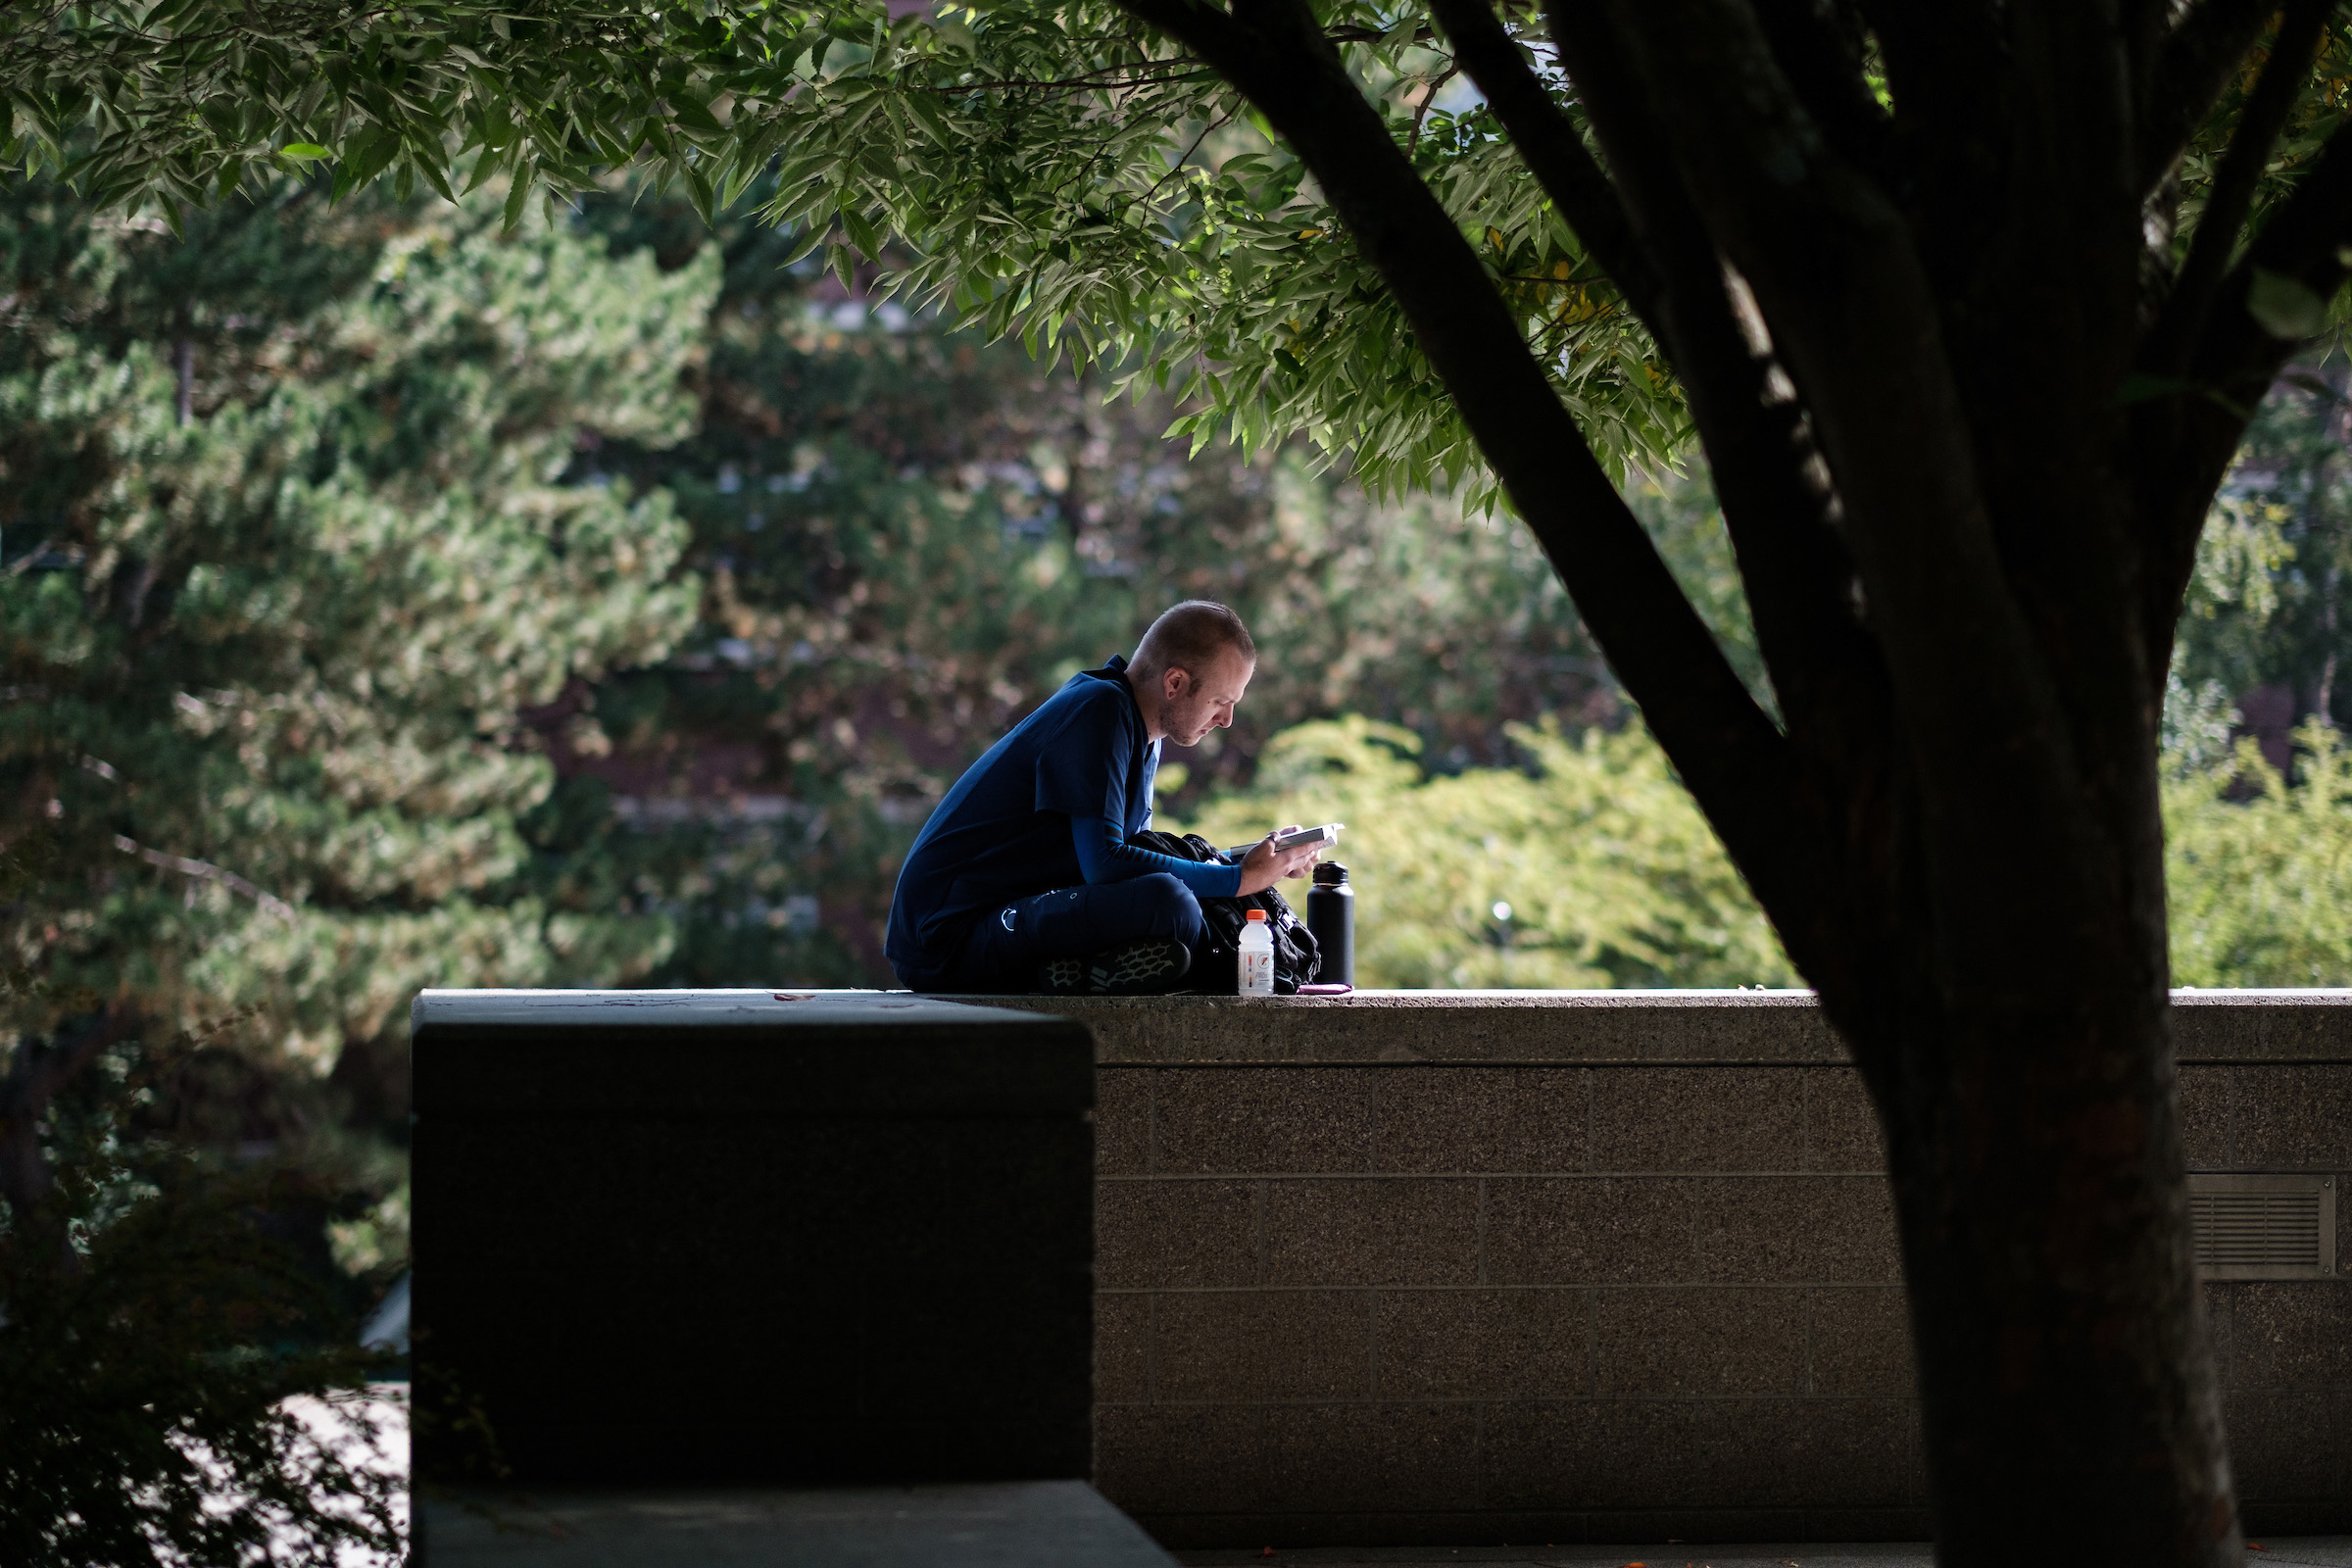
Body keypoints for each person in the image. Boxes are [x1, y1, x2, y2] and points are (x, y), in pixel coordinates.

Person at [885, 601, 1323, 994]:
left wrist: (1259, 861)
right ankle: (1076, 971)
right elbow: (1107, 864)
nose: (1227, 720)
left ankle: (1077, 971)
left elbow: (1134, 863)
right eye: (1220, 701)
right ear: (1174, 682)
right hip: (947, 939)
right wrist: (1239, 880)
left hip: (1014, 918)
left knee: (1171, 903)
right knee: (1171, 907)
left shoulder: (1142, 734)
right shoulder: (1100, 709)